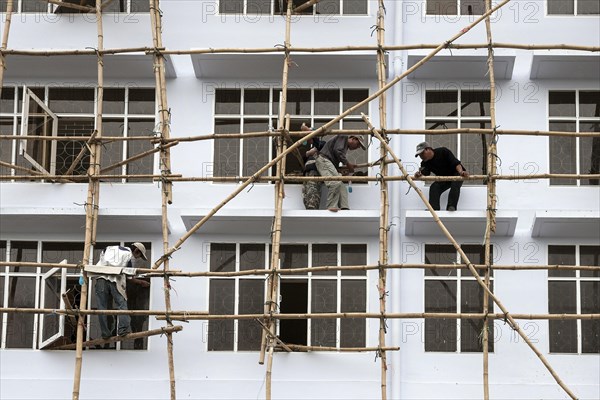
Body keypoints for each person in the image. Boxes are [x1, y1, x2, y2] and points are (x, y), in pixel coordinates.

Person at [93, 242, 149, 339]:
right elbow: (129, 278)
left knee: (102, 307)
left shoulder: (110, 248)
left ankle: (105, 333)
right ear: (136, 250)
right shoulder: (128, 255)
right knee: (122, 305)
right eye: (139, 255)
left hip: (101, 278)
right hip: (115, 279)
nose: (137, 258)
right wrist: (141, 282)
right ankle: (123, 330)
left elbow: (102, 258)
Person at [315, 134, 366, 212]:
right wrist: (348, 164)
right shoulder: (343, 137)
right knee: (335, 183)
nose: (357, 147)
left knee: (341, 186)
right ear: (353, 138)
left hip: (328, 162)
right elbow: (337, 151)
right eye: (358, 144)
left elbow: (335, 158)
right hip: (323, 159)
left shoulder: (344, 146)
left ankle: (344, 207)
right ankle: (331, 205)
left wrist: (342, 170)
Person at [413, 141, 469, 211]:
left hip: (456, 173)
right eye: (419, 155)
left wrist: (461, 172)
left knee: (455, 184)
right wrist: (419, 174)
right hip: (444, 178)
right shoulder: (424, 163)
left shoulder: (443, 151)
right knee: (434, 187)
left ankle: (451, 207)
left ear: (428, 149)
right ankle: (434, 208)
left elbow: (456, 163)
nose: (421, 156)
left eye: (422, 153)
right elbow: (425, 173)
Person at [300, 123, 326, 210]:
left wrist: (306, 129)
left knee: (313, 189)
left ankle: (312, 207)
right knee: (306, 191)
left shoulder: (322, 144)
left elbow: (317, 144)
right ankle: (308, 206)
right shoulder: (308, 148)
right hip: (307, 172)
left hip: (315, 171)